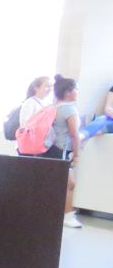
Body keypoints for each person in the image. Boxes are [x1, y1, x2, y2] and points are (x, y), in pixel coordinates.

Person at [51, 75, 83, 228]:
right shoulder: (69, 109)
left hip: (50, 150)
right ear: (68, 92)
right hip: (62, 150)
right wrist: (76, 154)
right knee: (70, 184)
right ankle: (68, 216)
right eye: (76, 89)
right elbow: (74, 134)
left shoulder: (52, 107)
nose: (77, 92)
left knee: (55, 183)